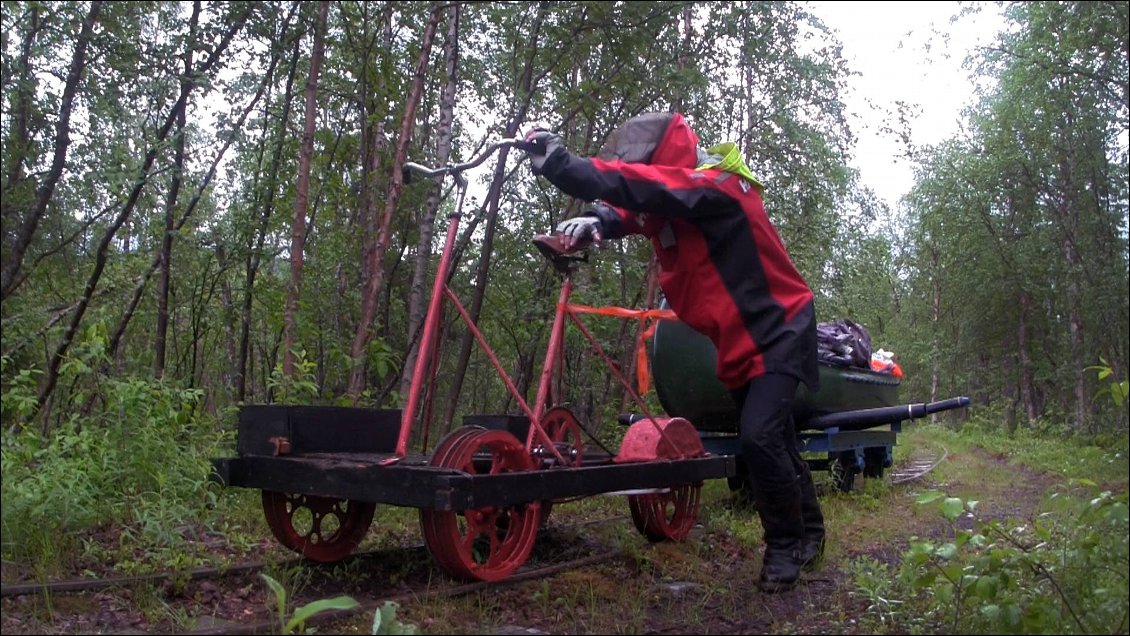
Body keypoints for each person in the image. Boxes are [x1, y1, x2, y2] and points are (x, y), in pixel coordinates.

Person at [522, 112, 824, 593]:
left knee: (761, 438)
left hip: (780, 328)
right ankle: (809, 534)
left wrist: (562, 164)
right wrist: (596, 220)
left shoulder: (717, 188)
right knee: (776, 439)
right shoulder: (680, 200)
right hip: (739, 338)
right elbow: (636, 208)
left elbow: (651, 191)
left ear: (666, 158)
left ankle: (785, 547)